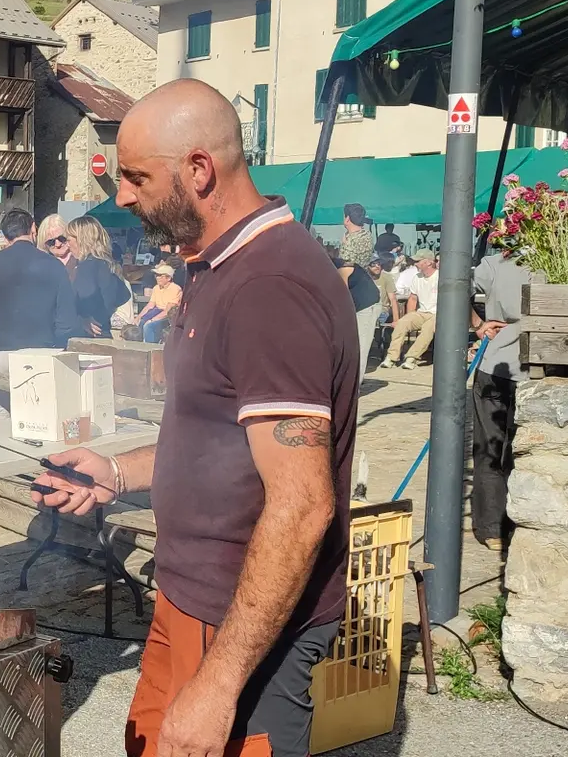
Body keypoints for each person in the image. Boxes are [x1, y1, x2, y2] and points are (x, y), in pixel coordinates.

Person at [32, 79, 355, 757]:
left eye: (135, 177)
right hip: (191, 599)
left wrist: (218, 686)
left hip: (242, 622)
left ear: (199, 171)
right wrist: (115, 474)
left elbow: (302, 507)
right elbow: (215, 442)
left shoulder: (271, 288)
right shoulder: (215, 268)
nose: (121, 195)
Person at [0, 208, 82, 419]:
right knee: (37, 422)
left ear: (5, 235)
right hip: (40, 354)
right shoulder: (54, 267)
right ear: (33, 228)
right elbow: (67, 321)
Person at [470, 249, 532, 552]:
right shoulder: (565, 256)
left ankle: (492, 527)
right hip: (539, 369)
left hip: (498, 363)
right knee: (522, 452)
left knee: (490, 449)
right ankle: (514, 524)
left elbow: (454, 288)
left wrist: (477, 324)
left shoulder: (496, 263)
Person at [69, 215, 132, 339]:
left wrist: (83, 319)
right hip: (103, 333)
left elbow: (84, 296)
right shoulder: (106, 264)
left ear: (81, 240)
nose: (67, 244)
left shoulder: (87, 266)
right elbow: (124, 295)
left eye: (69, 239)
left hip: (87, 336)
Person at [382, 250, 439, 370]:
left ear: (428, 262)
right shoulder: (417, 278)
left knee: (427, 329)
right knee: (402, 323)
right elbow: (413, 299)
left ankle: (411, 358)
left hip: (437, 314)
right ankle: (391, 357)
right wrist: (409, 317)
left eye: (418, 261)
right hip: (421, 312)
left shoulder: (440, 277)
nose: (415, 264)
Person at [335, 254, 382, 382]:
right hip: (356, 305)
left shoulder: (342, 268)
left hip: (367, 305)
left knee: (360, 347)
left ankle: (354, 388)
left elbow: (341, 294)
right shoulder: (332, 267)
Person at [137, 263, 182, 343]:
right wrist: (138, 317)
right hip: (156, 312)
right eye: (156, 275)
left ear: (168, 278)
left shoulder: (175, 289)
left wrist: (152, 320)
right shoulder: (156, 288)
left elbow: (168, 311)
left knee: (149, 326)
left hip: (168, 317)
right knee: (141, 322)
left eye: (160, 275)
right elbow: (150, 305)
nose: (157, 278)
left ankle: (150, 348)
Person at [37, 213, 76, 280]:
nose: (58, 244)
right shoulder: (41, 266)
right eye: (51, 242)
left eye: (61, 238)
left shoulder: (80, 259)